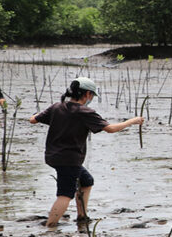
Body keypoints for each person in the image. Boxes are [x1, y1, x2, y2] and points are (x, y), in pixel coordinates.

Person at [30, 77, 143, 227]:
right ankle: (50, 226)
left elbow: (33, 119)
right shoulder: (84, 112)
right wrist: (132, 121)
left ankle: (82, 217)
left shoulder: (57, 107)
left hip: (53, 156)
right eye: (92, 96)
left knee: (86, 181)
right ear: (88, 94)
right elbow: (111, 129)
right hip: (69, 159)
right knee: (65, 194)